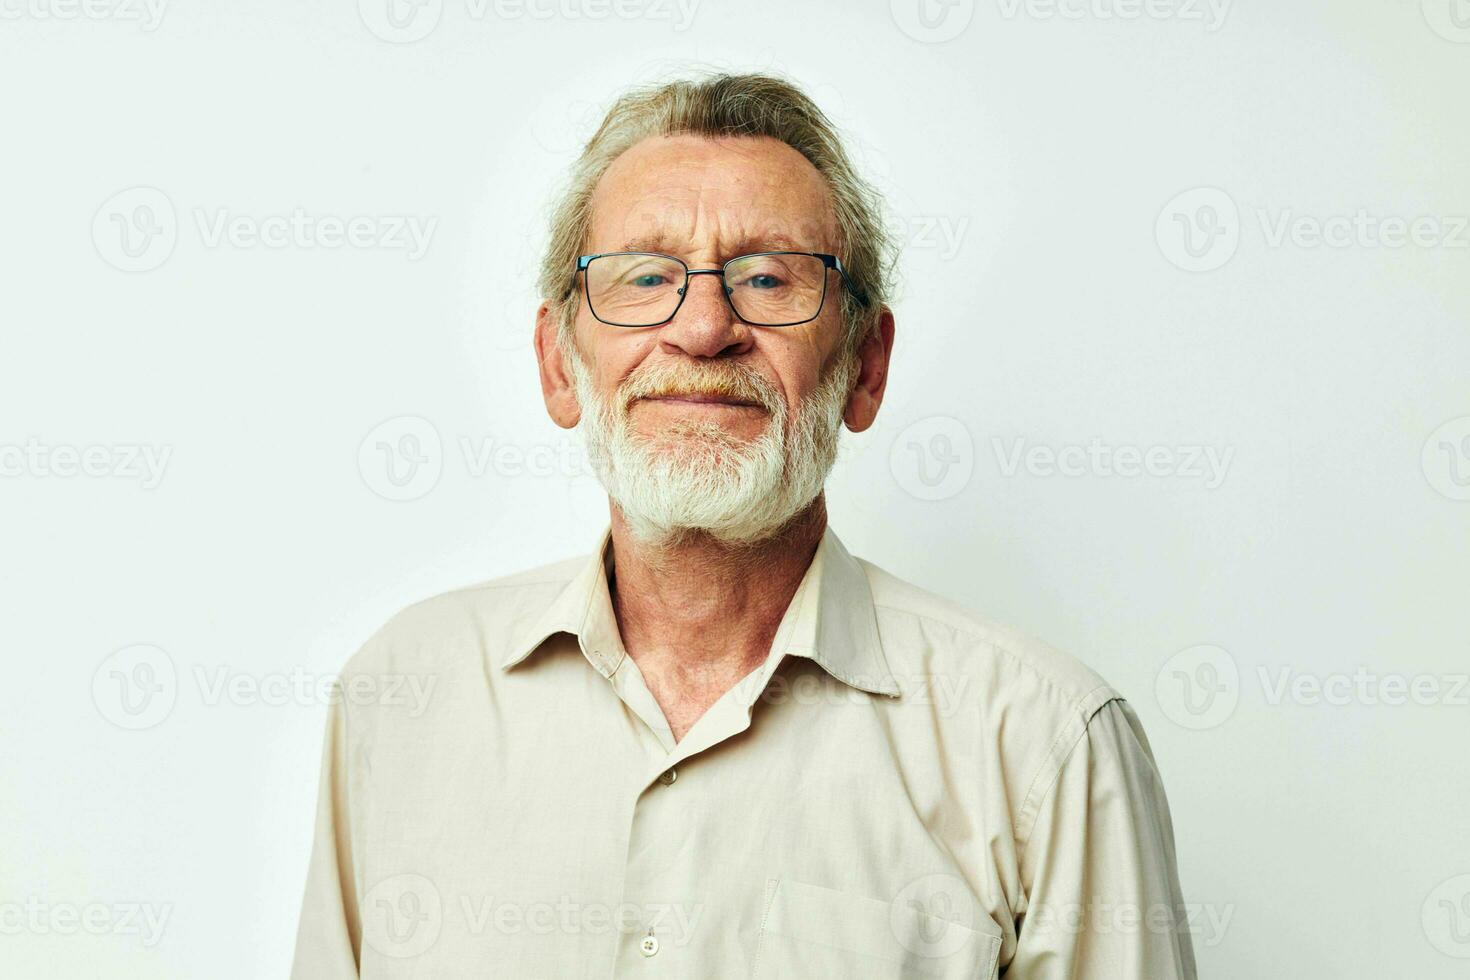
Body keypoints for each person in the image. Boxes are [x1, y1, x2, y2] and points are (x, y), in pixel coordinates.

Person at [290, 70, 1197, 979]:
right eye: (645, 276)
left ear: (865, 367)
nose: (703, 327)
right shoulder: (404, 695)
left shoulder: (1043, 745)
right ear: (558, 366)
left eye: (767, 278)